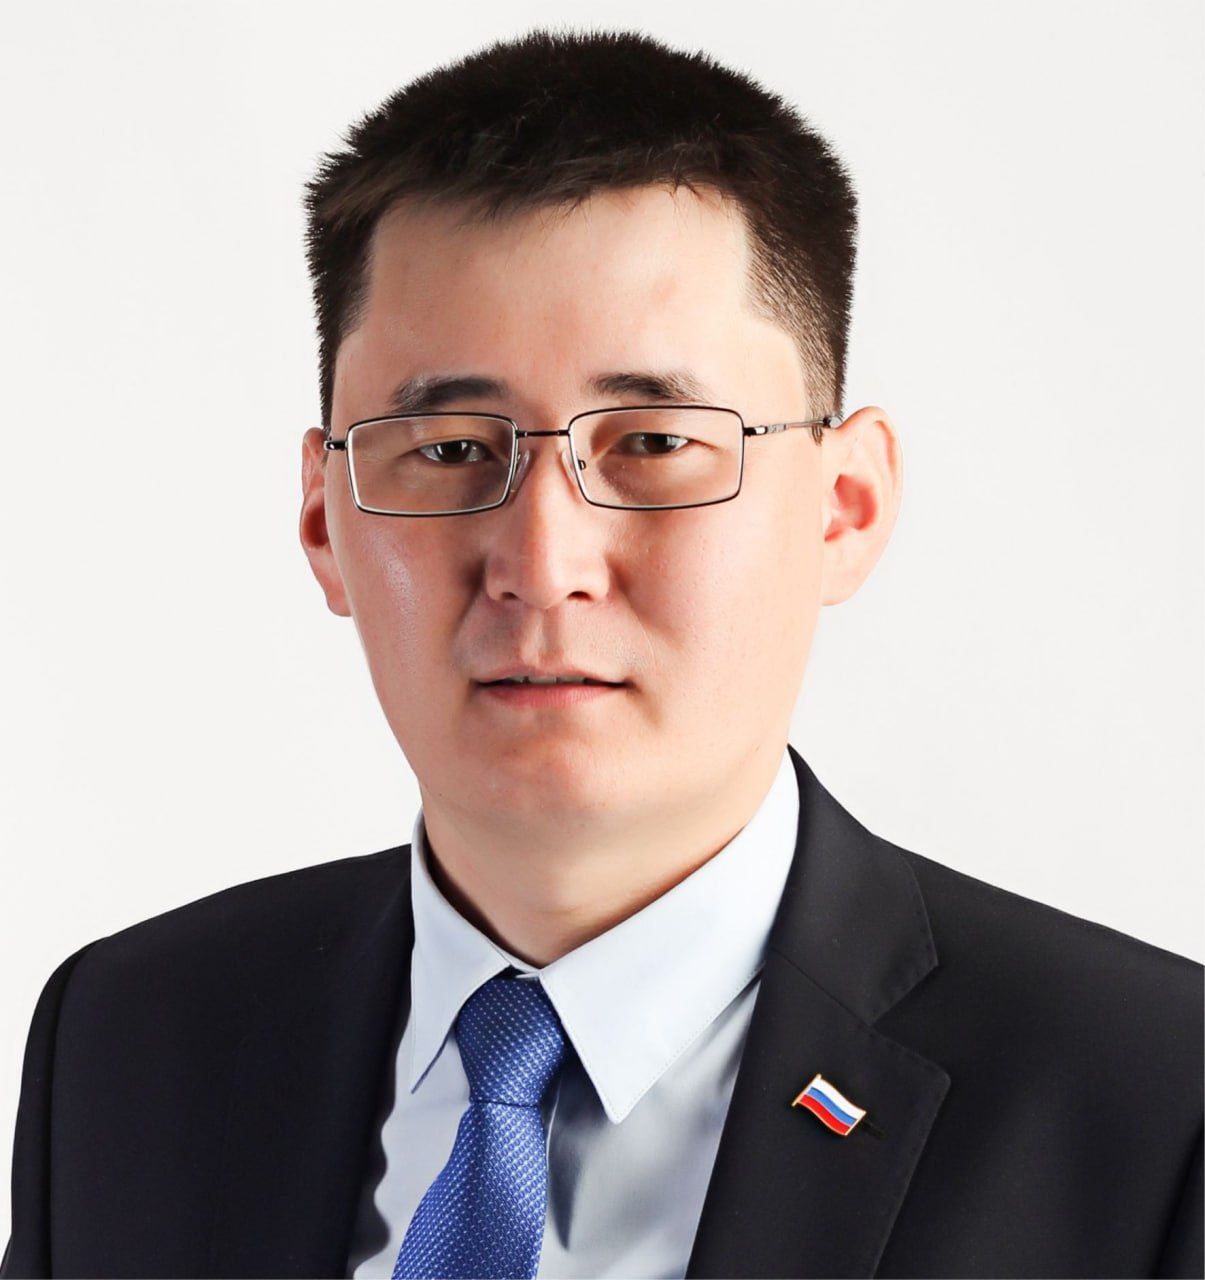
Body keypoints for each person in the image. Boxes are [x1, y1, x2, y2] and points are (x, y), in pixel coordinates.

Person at [1, 26, 1201, 1280]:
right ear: (323, 520)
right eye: (451, 450)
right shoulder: (129, 1043)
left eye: (654, 443)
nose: (542, 560)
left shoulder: (1154, 1111)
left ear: (843, 507)